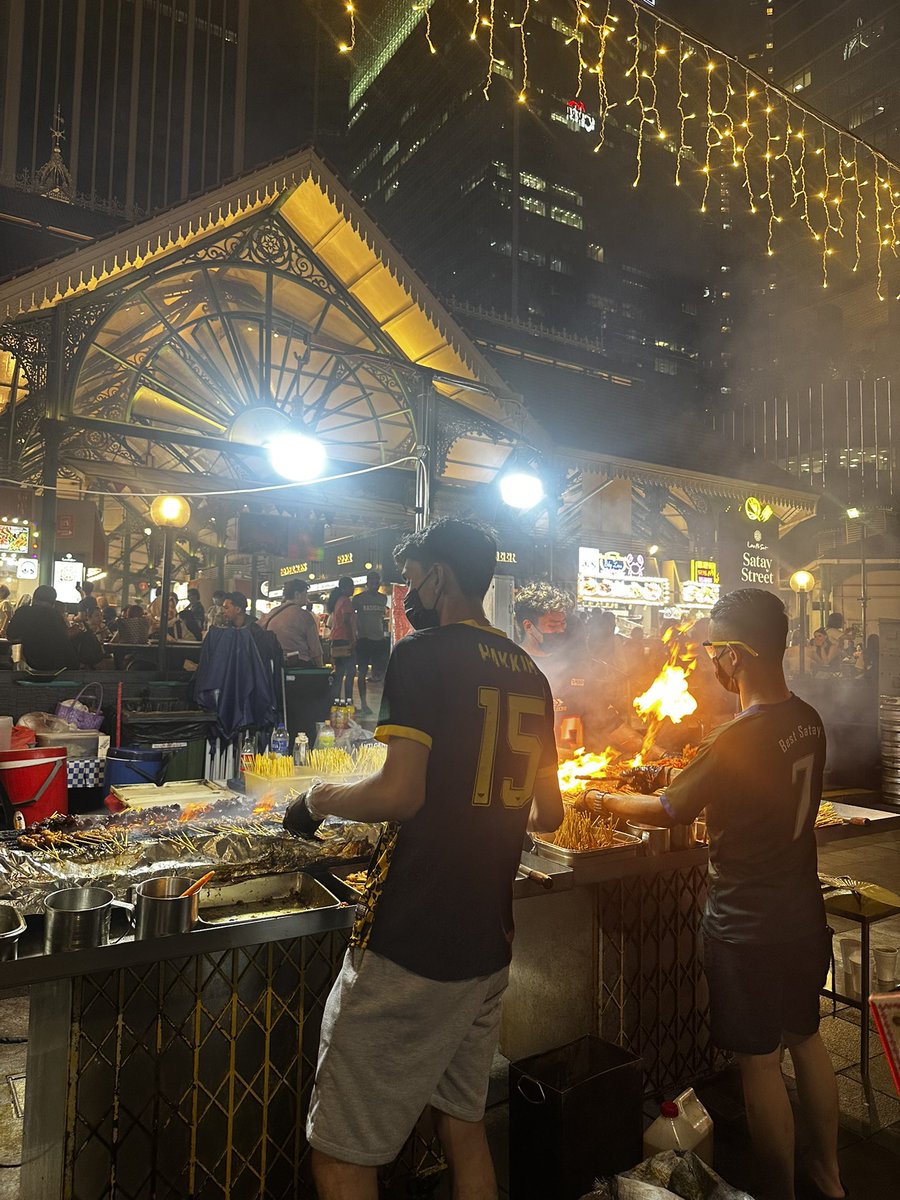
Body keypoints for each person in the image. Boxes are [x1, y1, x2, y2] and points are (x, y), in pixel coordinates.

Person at [284, 517, 563, 1199]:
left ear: (438, 575)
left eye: (412, 578)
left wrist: (319, 799)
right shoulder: (532, 672)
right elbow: (550, 813)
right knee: (461, 1124)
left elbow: (401, 793)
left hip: (413, 940)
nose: (406, 593)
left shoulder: (420, 654)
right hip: (489, 945)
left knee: (343, 1153)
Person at [605, 589, 844, 1200]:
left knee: (761, 1065)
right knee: (806, 1038)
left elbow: (669, 808)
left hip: (746, 926)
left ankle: (781, 1193)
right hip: (802, 914)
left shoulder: (739, 735)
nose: (709, 660)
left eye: (714, 649)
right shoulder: (808, 719)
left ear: (737, 656)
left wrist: (601, 800)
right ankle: (830, 1176)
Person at [7, 584, 104, 670]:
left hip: (36, 663)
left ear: (34, 598)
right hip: (65, 664)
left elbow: (11, 636)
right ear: (53, 602)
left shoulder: (23, 612)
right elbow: (63, 636)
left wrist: (29, 636)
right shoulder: (55, 614)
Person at [260, 578, 323, 668]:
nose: (307, 599)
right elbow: (315, 650)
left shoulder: (272, 612)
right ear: (297, 594)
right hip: (300, 666)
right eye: (305, 594)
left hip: (276, 665)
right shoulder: (305, 616)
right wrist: (321, 669)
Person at [352, 570, 389, 714]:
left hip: (379, 639)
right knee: (362, 672)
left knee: (380, 674)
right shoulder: (358, 599)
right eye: (372, 582)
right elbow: (351, 618)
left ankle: (384, 704)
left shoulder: (383, 598)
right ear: (367, 583)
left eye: (377, 581)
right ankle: (364, 704)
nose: (375, 584)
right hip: (363, 639)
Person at [325, 575, 356, 703]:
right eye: (351, 586)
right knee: (350, 673)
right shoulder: (346, 601)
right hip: (344, 640)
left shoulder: (337, 600)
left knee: (339, 673)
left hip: (336, 640)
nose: (353, 589)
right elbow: (347, 621)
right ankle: (349, 700)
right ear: (345, 588)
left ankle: (335, 701)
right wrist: (352, 639)